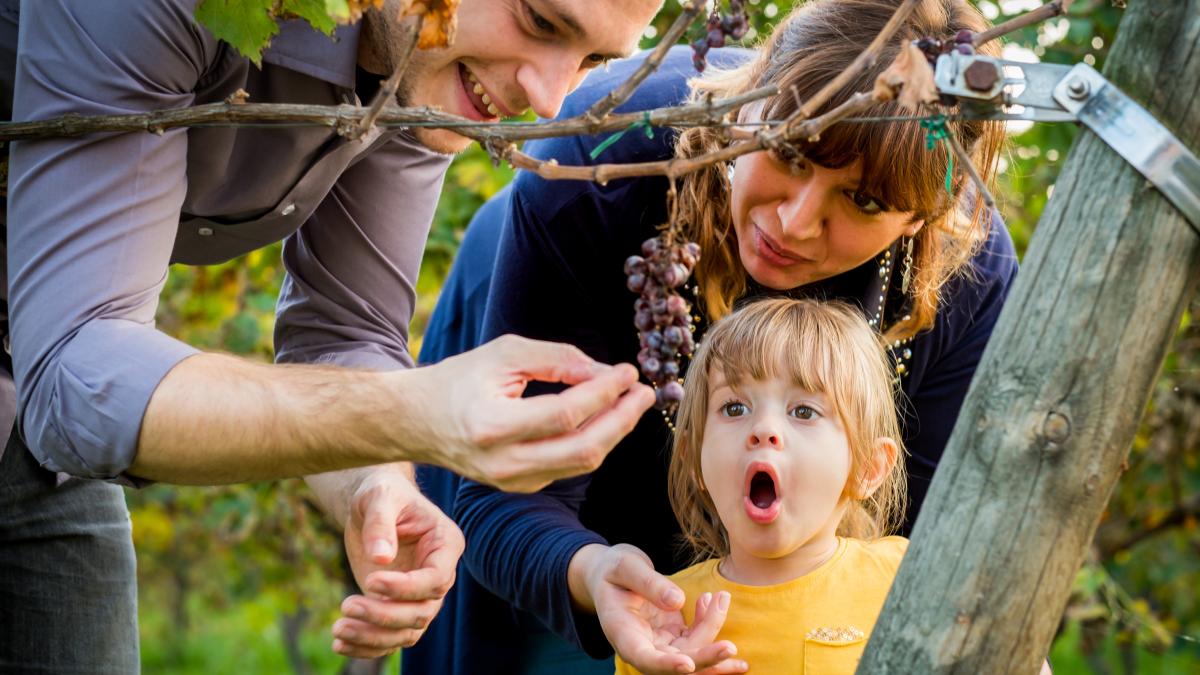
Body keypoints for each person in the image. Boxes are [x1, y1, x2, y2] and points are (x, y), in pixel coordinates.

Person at [0, 0, 663, 669]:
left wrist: (376, 481)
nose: (548, 101)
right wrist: (410, 412)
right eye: (541, 23)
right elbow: (72, 372)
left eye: (593, 61)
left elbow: (344, 328)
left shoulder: (421, 64)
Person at [412, 0, 1017, 673]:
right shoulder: (604, 160)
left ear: (915, 222)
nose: (794, 219)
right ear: (749, 104)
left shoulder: (967, 274)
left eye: (864, 202)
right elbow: (507, 497)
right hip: (531, 290)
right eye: (788, 151)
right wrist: (593, 572)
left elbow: (938, 550)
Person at [614, 296, 908, 674]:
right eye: (734, 408)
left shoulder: (903, 578)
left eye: (804, 411)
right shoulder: (661, 617)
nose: (764, 429)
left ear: (868, 466)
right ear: (694, 460)